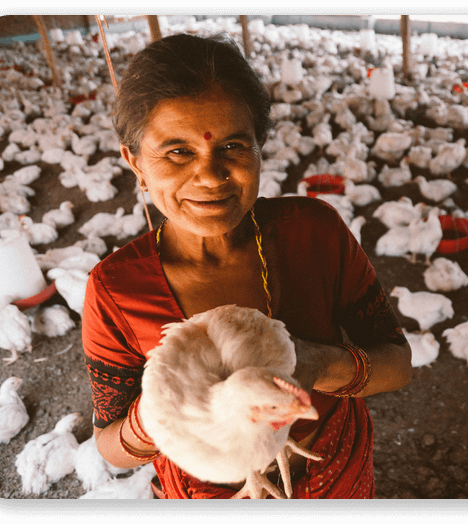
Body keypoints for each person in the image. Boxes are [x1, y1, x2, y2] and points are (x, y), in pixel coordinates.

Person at [82, 33, 412, 499]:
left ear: (260, 148)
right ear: (135, 162)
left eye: (234, 146)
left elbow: (397, 364)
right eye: (178, 152)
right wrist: (161, 410)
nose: (211, 176)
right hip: (210, 486)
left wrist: (319, 364)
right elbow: (110, 447)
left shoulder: (313, 233)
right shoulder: (116, 290)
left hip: (336, 468)